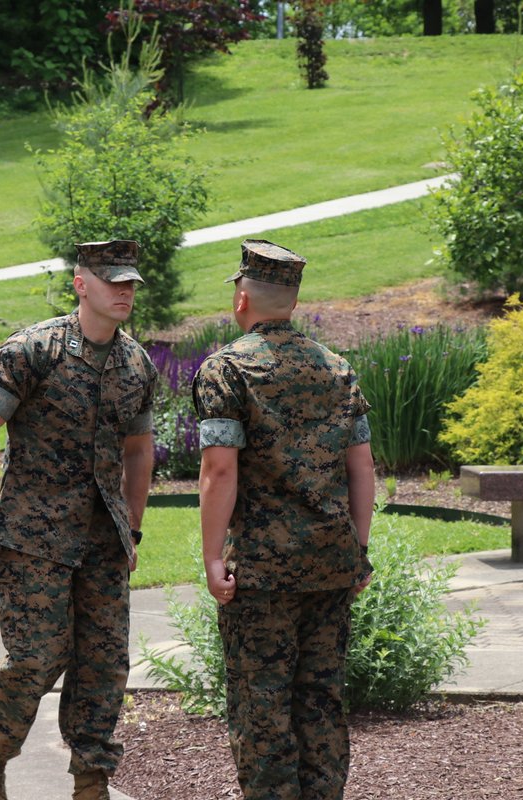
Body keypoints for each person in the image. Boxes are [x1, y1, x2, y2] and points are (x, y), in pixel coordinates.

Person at [0, 239, 157, 800]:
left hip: (103, 543)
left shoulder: (136, 364)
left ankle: (91, 782)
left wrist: (132, 528)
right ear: (81, 284)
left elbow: (138, 450)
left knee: (104, 666)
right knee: (36, 658)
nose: (124, 292)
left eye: (130, 283)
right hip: (34, 538)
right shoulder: (32, 351)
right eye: (113, 281)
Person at [192, 239, 375, 800]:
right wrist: (359, 550)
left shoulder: (226, 370)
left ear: (241, 299)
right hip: (331, 563)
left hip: (263, 572)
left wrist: (213, 557)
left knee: (262, 705)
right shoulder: (337, 369)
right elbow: (362, 468)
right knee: (321, 700)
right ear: (293, 302)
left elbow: (219, 470)